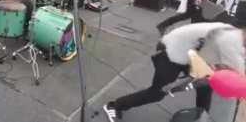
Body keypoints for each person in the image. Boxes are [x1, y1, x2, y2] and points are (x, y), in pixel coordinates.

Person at [103, 22, 246, 122]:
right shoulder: (231, 40)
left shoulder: (234, 33)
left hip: (188, 54)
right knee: (157, 94)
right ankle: (115, 105)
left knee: (205, 86)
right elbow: (240, 79)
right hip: (170, 52)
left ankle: (201, 117)